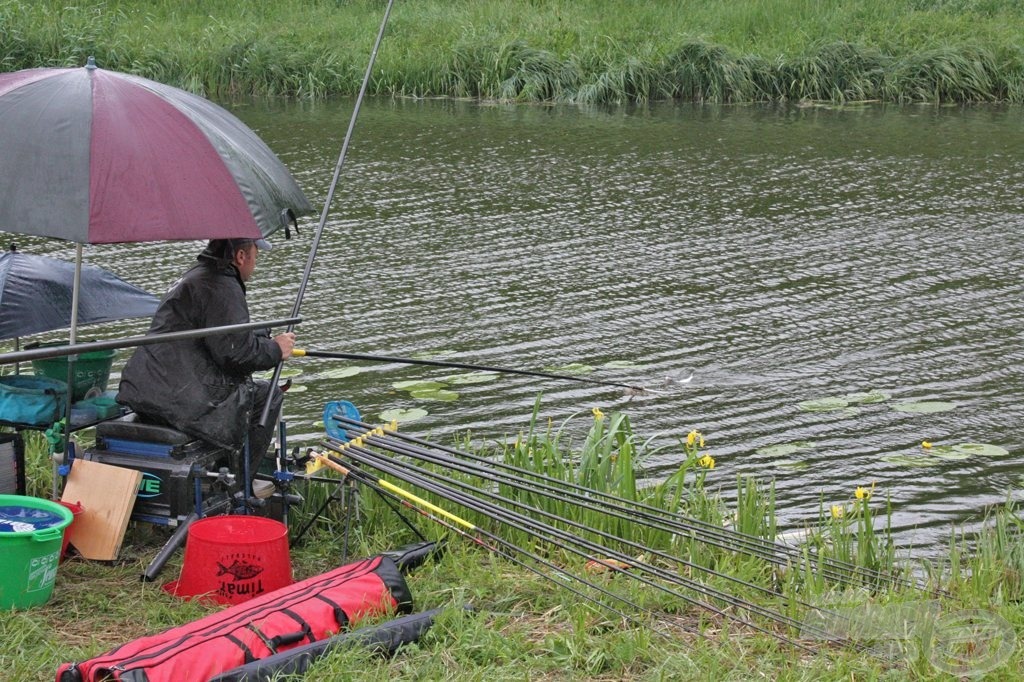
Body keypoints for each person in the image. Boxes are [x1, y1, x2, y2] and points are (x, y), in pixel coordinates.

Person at [117, 238, 295, 480]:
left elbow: (219, 337)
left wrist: (261, 337)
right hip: (179, 399)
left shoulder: (196, 276)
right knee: (268, 395)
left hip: (145, 389)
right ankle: (238, 487)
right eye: (256, 253)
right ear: (241, 256)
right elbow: (237, 355)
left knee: (249, 390)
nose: (256, 261)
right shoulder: (222, 285)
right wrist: (275, 350)